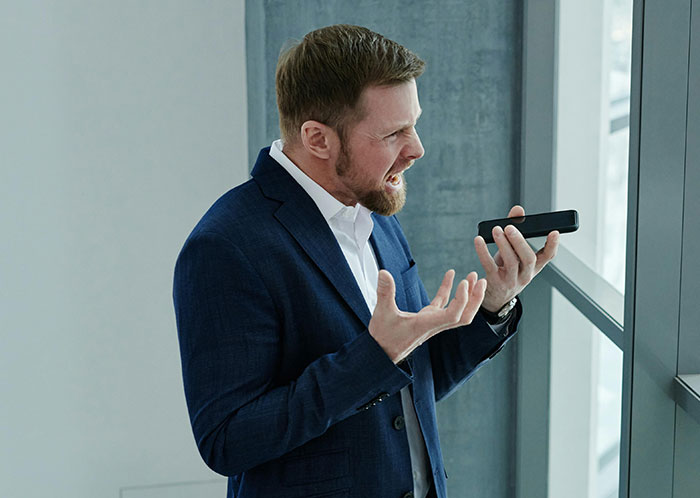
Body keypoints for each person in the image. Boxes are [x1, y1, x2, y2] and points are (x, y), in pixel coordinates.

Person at [173, 24, 559, 498]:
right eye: (395, 132)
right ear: (317, 138)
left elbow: (407, 385)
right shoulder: (226, 247)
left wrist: (493, 306)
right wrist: (373, 356)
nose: (417, 149)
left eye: (414, 124)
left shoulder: (372, 207)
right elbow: (227, 439)